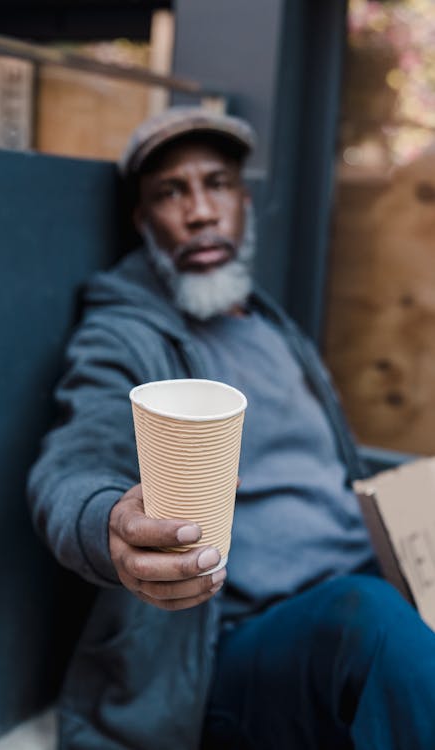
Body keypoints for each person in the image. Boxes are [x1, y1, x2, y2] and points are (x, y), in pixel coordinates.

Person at [28, 107, 435, 750]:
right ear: (143, 222)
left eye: (217, 184)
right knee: (370, 619)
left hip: (365, 591)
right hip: (239, 649)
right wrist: (108, 524)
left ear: (244, 203)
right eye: (171, 192)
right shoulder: (123, 335)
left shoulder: (274, 327)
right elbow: (69, 467)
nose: (200, 212)